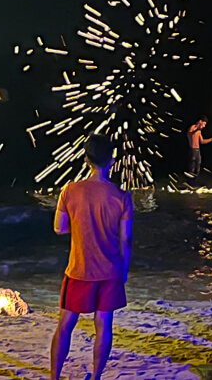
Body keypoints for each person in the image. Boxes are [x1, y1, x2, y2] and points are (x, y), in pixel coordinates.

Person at [50, 134, 133, 380]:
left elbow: (58, 227)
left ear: (86, 160)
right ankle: (96, 377)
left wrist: (79, 224)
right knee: (103, 327)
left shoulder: (70, 190)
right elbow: (125, 239)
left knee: (65, 326)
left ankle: (54, 376)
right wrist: (125, 269)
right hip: (110, 271)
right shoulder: (122, 197)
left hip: (78, 269)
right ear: (112, 161)